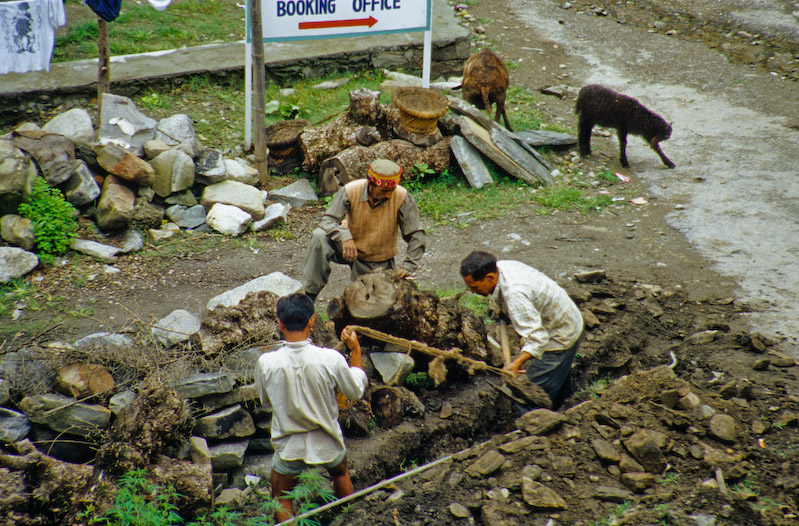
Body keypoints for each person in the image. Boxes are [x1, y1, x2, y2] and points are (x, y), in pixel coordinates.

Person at [254, 293, 368, 522]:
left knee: (281, 496)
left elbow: (266, 401)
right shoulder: (331, 358)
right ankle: (348, 519)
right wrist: (355, 350)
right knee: (340, 474)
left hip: (289, 445)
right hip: (327, 439)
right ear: (312, 321)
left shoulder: (266, 363)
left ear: (280, 323)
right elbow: (356, 390)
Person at [459, 251, 584, 411]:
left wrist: (516, 363)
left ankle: (532, 430)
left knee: (525, 399)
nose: (472, 292)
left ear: (490, 277)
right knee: (558, 385)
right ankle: (568, 412)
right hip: (567, 318)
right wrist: (501, 308)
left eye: (474, 287)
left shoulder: (515, 294)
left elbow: (538, 339)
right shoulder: (501, 268)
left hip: (560, 336)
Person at [302, 158, 425, 301]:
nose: (389, 195)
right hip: (349, 249)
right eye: (384, 191)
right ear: (371, 184)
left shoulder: (402, 197)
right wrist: (344, 237)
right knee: (319, 236)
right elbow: (328, 220)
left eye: (392, 190)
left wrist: (408, 266)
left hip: (377, 258)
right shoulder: (350, 191)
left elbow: (417, 234)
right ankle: (309, 299)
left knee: (370, 302)